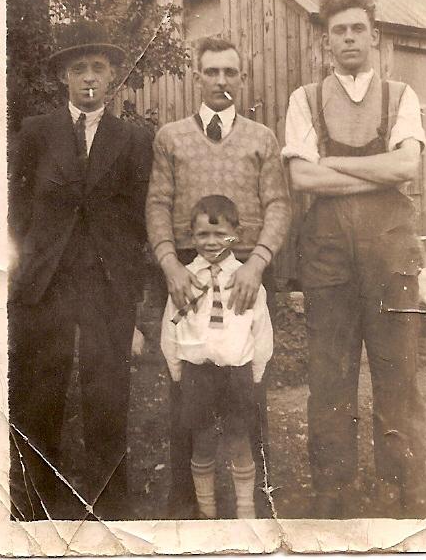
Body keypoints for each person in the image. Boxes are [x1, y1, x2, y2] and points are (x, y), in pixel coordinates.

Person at [282, 0, 426, 519]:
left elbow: (405, 168)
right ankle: (331, 485)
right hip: (327, 252)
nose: (349, 38)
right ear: (327, 41)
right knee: (329, 372)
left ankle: (401, 482)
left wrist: (335, 167)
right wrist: (374, 170)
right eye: (338, 31)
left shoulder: (401, 95)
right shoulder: (304, 98)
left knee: (399, 367)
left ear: (375, 36)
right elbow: (300, 176)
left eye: (357, 29)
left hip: (391, 251)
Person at [8, 20, 152, 521]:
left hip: (105, 282)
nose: (88, 76)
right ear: (62, 79)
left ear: (112, 75)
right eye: (77, 68)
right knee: (39, 389)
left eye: (97, 67)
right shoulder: (36, 133)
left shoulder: (133, 139)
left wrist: (132, 288)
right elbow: (17, 210)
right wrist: (19, 274)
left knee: (107, 390)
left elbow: (139, 219)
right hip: (46, 282)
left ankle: (109, 503)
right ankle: (36, 496)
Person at [146, 36, 291, 518]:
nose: (222, 81)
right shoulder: (170, 137)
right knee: (187, 393)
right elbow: (158, 204)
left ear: (241, 78)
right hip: (187, 269)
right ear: (198, 76)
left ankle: (255, 503)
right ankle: (190, 506)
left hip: (243, 269)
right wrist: (170, 265)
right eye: (213, 72)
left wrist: (258, 262)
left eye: (231, 72)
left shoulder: (260, 138)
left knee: (246, 388)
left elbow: (277, 204)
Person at [160, 195, 273, 519]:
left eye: (219, 234)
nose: (211, 243)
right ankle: (207, 513)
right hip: (198, 374)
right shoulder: (185, 279)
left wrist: (255, 371)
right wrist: (178, 371)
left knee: (240, 439)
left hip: (237, 373)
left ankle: (245, 509)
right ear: (191, 237)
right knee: (203, 441)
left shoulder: (245, 279)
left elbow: (260, 328)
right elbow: (171, 327)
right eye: (202, 235)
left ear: (235, 234)